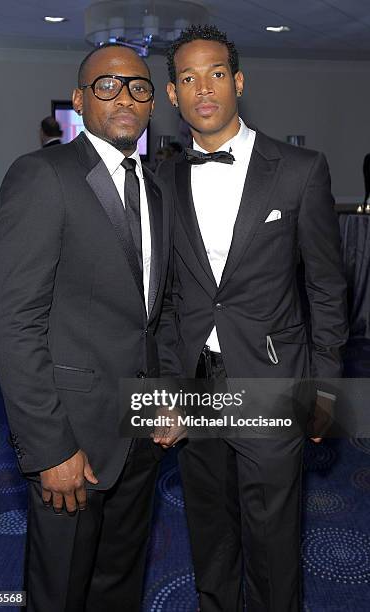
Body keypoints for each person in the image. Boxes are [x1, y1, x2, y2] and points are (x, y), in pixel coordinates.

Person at [158, 24, 348, 612]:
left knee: (272, 538)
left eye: (216, 73)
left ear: (238, 81)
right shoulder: (161, 176)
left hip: (273, 376)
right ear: (172, 95)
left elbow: (326, 285)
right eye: (187, 78)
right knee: (209, 532)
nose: (203, 88)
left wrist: (327, 386)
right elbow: (162, 296)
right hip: (195, 381)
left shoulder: (299, 169)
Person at [0, 44, 181, 612]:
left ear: (152, 104)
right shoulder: (41, 175)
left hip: (140, 432)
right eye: (107, 85)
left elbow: (160, 308)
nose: (125, 96)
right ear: (78, 99)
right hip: (71, 438)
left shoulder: (158, 188)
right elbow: (15, 324)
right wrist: (50, 449)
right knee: (60, 591)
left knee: (120, 582)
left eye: (139, 87)